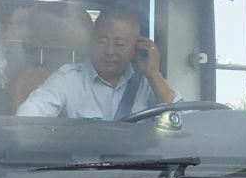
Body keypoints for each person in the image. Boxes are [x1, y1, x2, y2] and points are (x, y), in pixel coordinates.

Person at [15, 8, 179, 119]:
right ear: (91, 42)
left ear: (135, 48)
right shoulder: (69, 79)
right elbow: (29, 114)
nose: (109, 51)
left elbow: (183, 121)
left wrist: (154, 75)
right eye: (102, 41)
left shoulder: (147, 83)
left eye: (120, 44)